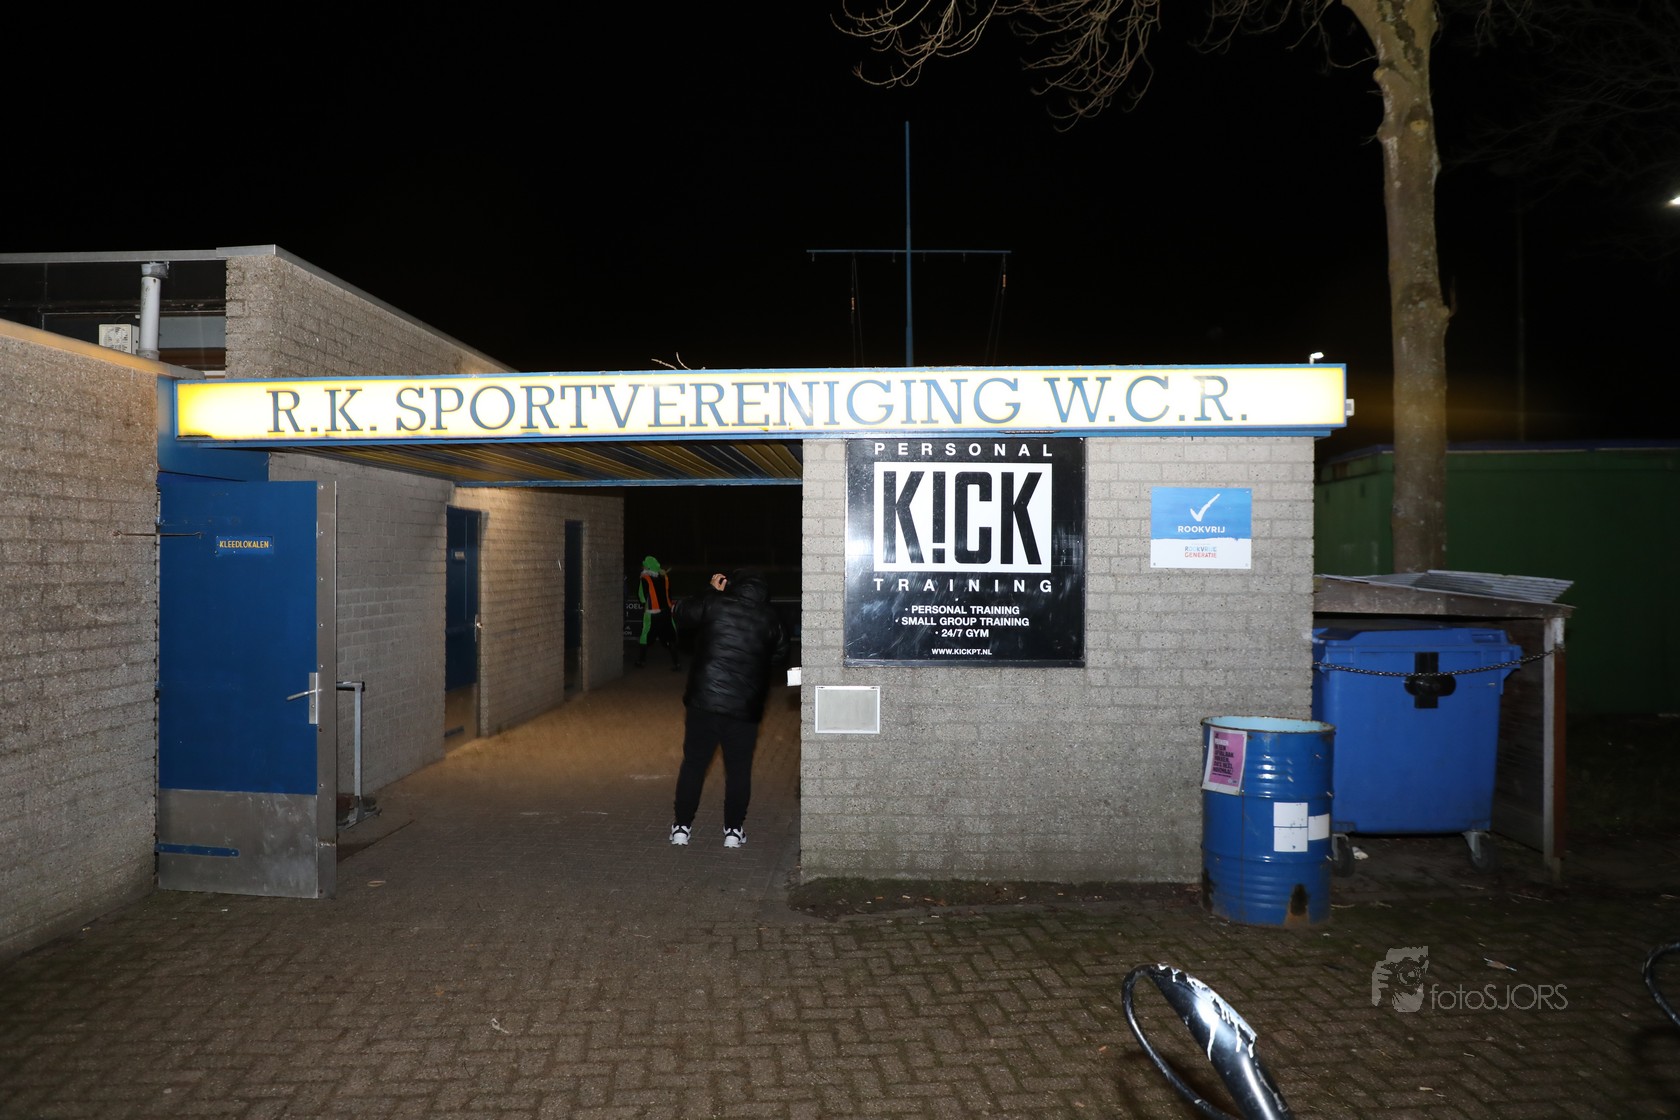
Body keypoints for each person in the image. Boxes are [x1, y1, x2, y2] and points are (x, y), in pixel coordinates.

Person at [668, 568, 788, 849]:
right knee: (739, 769)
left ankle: (682, 828)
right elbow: (780, 656)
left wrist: (710, 590)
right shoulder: (771, 618)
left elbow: (681, 613)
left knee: (694, 764)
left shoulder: (714, 603)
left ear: (732, 584)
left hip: (704, 703)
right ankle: (733, 831)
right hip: (744, 707)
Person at [634, 555, 680, 669]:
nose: (642, 566)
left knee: (645, 637)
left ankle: (641, 661)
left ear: (648, 567)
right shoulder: (664, 577)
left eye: (644, 565)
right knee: (670, 637)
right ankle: (677, 663)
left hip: (651, 614)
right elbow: (669, 594)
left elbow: (642, 597)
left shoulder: (645, 578)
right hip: (665, 613)